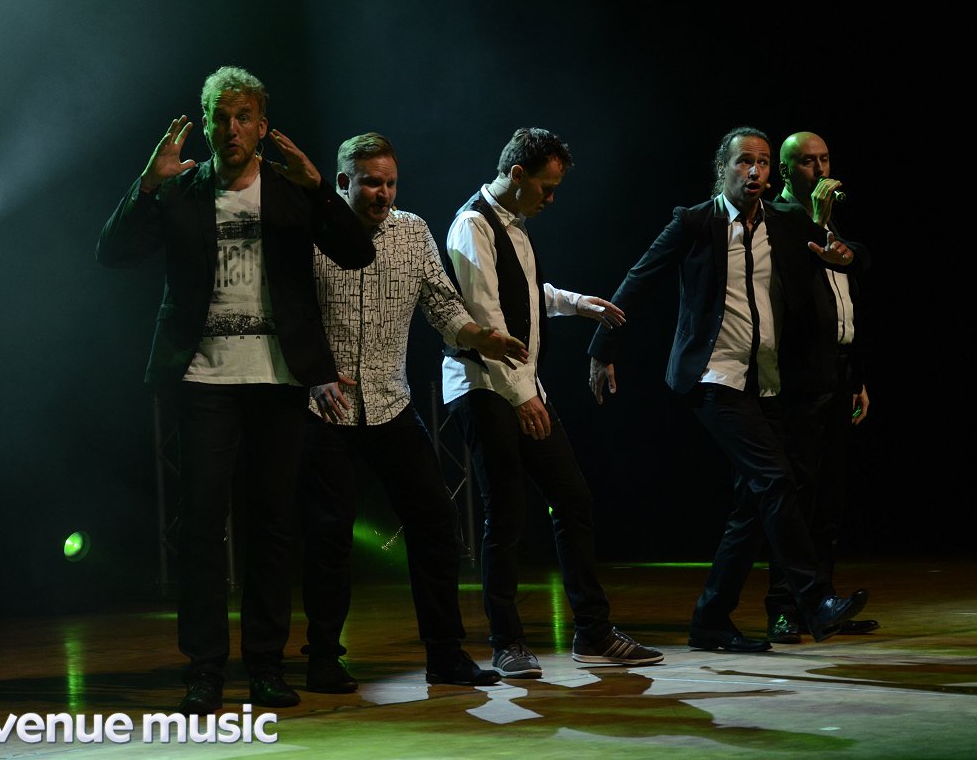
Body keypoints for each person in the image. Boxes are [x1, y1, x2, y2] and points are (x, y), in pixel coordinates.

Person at [96, 66, 375, 714]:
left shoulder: (289, 190)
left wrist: (319, 187)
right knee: (201, 526)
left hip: (276, 378)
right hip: (204, 378)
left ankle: (267, 665)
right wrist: (147, 182)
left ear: (261, 125)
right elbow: (113, 252)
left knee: (272, 524)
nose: (231, 128)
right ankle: (204, 668)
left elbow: (356, 254)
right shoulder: (182, 190)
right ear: (208, 123)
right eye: (220, 117)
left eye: (243, 116)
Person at [588, 126, 868, 652]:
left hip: (766, 382)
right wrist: (603, 348)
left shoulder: (783, 223)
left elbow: (842, 258)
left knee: (752, 506)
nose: (754, 170)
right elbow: (639, 279)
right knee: (775, 480)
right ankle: (814, 600)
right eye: (744, 161)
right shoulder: (696, 222)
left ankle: (711, 619)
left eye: (762, 161)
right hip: (714, 376)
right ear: (723, 169)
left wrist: (835, 239)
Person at [298, 132, 527, 691]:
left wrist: (481, 337)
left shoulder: (413, 231)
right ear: (343, 182)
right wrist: (313, 371)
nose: (383, 193)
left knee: (435, 522)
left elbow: (442, 303)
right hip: (325, 407)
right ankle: (323, 657)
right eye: (371, 183)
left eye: (391, 182)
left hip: (390, 402)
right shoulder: (310, 231)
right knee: (328, 536)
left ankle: (444, 654)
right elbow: (288, 312)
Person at [441, 127, 664, 679]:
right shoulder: (473, 225)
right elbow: (487, 317)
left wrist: (576, 303)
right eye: (546, 186)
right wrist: (523, 397)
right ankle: (507, 641)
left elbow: (525, 292)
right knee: (505, 510)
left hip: (520, 384)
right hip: (482, 385)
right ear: (517, 174)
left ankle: (593, 632)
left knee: (572, 497)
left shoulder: (514, 224)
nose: (552, 197)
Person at [763, 131, 879, 643]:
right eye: (807, 162)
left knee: (829, 497)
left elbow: (851, 287)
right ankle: (784, 606)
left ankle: (823, 604)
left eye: (825, 159)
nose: (820, 169)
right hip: (800, 378)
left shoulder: (828, 222)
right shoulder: (780, 219)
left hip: (838, 372)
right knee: (796, 496)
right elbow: (792, 279)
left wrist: (858, 377)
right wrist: (816, 219)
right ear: (787, 171)